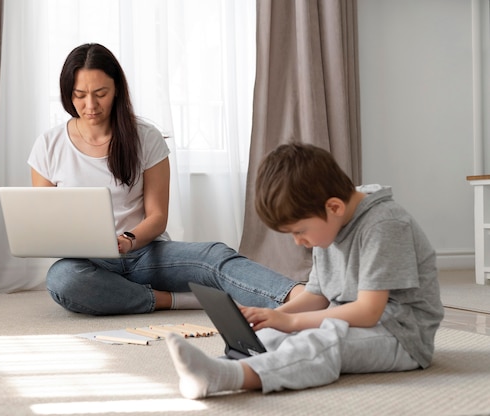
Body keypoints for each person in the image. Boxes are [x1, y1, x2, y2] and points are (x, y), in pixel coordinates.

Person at [27, 43, 303, 315]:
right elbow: (49, 226)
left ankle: (296, 296)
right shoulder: (48, 145)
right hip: (89, 262)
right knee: (63, 280)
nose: (90, 105)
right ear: (67, 94)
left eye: (101, 93)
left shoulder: (146, 137)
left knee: (214, 255)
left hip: (146, 253)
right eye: (79, 95)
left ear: (117, 91)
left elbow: (157, 216)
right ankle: (169, 299)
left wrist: (129, 240)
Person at [166, 143, 444, 399]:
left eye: (299, 231)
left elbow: (369, 312)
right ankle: (219, 367)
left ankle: (230, 377)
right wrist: (274, 316)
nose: (298, 241)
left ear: (333, 207)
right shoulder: (330, 222)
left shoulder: (384, 224)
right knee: (271, 336)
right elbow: (317, 294)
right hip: (354, 322)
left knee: (320, 341)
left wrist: (293, 323)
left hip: (400, 335)